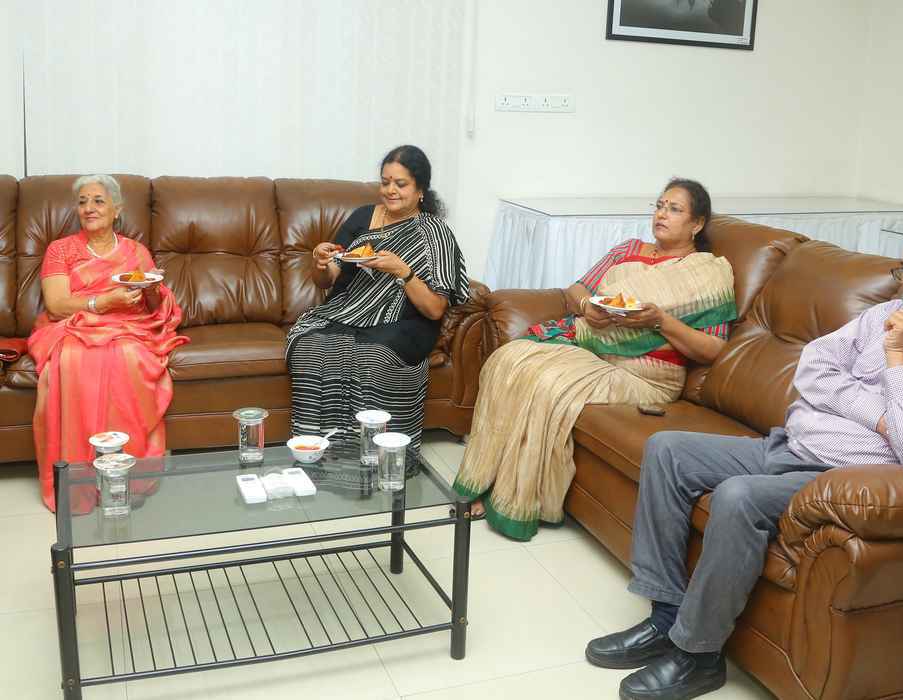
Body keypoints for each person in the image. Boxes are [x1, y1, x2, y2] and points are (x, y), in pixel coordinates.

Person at [585, 223, 903, 700]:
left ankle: (698, 654)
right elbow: (813, 367)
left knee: (737, 497)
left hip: (844, 480)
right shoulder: (886, 314)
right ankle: (666, 616)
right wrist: (884, 418)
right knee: (667, 450)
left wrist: (898, 358)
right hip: (791, 445)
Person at [454, 178, 738, 541]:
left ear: (696, 224)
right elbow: (577, 289)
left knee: (547, 384)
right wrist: (588, 307)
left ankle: (516, 498)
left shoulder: (707, 273)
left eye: (674, 209)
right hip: (594, 348)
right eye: (659, 206)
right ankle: (483, 479)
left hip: (645, 377)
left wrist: (660, 321)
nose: (662, 214)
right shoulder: (627, 251)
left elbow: (714, 349)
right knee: (508, 360)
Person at [286, 145, 469, 454]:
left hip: (406, 322)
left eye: (401, 184)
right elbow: (327, 279)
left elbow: (435, 308)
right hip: (346, 311)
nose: (390, 190)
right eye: (385, 182)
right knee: (310, 348)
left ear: (420, 190)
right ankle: (319, 449)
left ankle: (375, 454)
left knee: (371, 357)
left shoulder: (435, 233)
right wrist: (320, 262)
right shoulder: (362, 217)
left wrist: (403, 271)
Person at [29, 174, 188, 512]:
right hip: (74, 325)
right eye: (82, 201)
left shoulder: (135, 251)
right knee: (72, 358)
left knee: (128, 355)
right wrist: (102, 303)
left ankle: (126, 475)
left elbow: (154, 305)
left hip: (128, 326)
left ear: (117, 209)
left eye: (98, 200)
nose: (89, 208)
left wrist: (153, 291)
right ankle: (80, 482)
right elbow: (56, 305)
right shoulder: (60, 250)